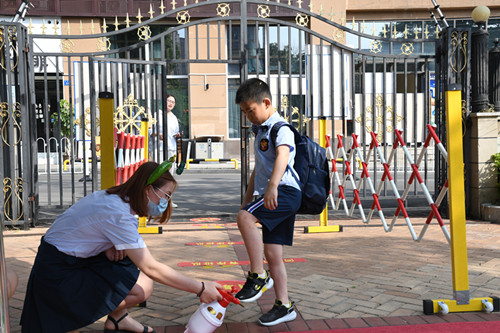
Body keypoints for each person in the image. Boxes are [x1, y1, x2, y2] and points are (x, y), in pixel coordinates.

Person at [20, 161, 223, 333]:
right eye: (166, 195)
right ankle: (66, 314)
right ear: (148, 190)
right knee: (142, 283)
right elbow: (150, 266)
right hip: (57, 274)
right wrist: (201, 288)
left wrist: (106, 244)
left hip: (67, 260)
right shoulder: (118, 214)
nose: (167, 201)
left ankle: (118, 318)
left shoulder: (114, 200)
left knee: (138, 281)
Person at [234, 78, 301, 326]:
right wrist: (248, 197)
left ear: (266, 102)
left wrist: (272, 186)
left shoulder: (280, 128)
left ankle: (258, 276)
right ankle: (284, 305)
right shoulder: (260, 130)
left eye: (251, 110)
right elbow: (258, 169)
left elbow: (283, 155)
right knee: (273, 253)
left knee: (244, 218)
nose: (248, 116)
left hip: (284, 192)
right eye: (244, 112)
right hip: (274, 193)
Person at [157, 95, 181, 207]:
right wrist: (157, 134)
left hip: (171, 147)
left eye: (173, 102)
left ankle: (168, 200)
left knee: (170, 175)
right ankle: (157, 199)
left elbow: (175, 132)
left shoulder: (174, 117)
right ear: (164, 101)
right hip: (160, 148)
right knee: (159, 174)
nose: (171, 103)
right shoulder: (157, 115)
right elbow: (150, 130)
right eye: (169, 101)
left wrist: (178, 135)